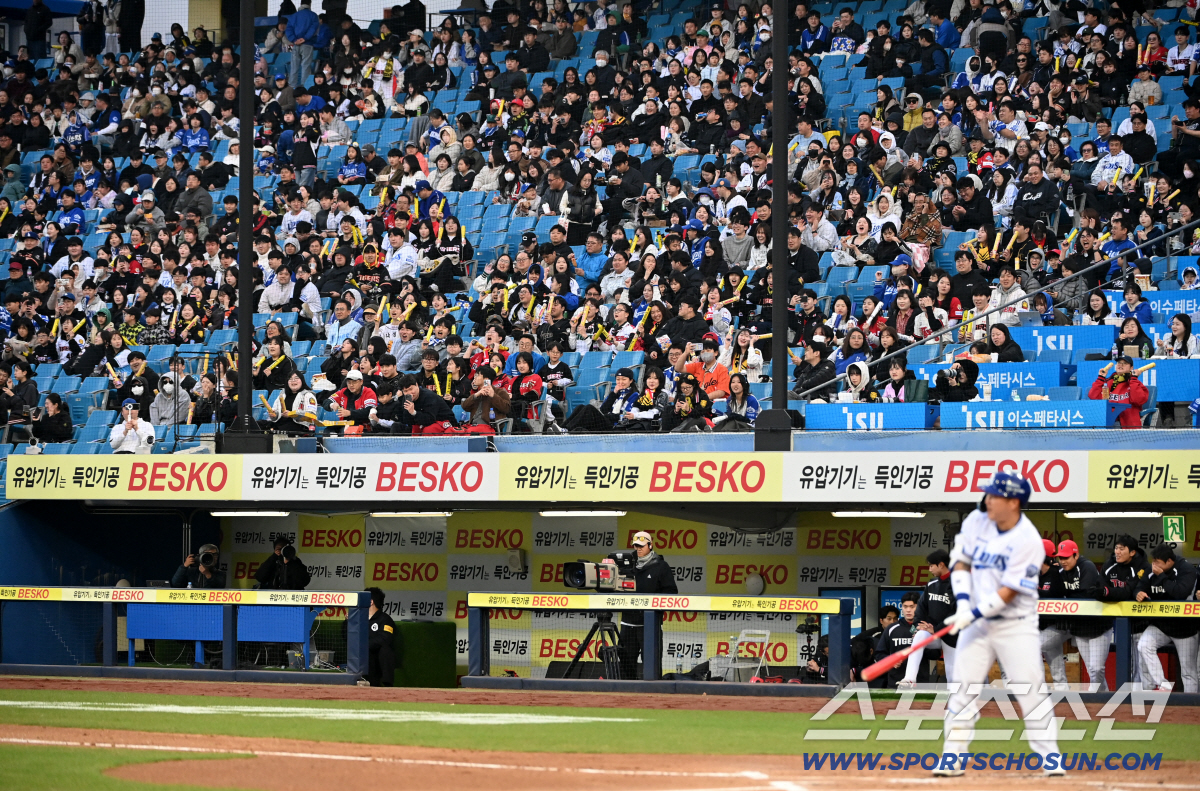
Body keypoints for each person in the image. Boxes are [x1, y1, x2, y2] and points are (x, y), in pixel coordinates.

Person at [933, 471, 1060, 777]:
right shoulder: (977, 521)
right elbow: (961, 562)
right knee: (962, 690)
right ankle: (952, 757)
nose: (988, 500)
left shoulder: (1029, 540)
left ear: (1014, 502)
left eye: (995, 495)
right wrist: (963, 603)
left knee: (1030, 690)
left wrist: (973, 612)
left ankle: (1050, 758)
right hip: (977, 623)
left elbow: (1010, 590)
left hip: (1014, 625)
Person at [1135, 544, 1199, 693]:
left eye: (1158, 562)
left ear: (1170, 561)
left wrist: (1162, 577)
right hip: (1161, 625)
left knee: (1188, 671)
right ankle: (1163, 684)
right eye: (1153, 562)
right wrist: (1138, 594)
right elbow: (1140, 586)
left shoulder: (1186, 569)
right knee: (1143, 645)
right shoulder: (1152, 570)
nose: (1154, 565)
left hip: (1185, 628)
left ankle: (1191, 709)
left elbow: (1180, 593)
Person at [616, 531, 678, 679]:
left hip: (650, 627)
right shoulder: (626, 565)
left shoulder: (661, 566)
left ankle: (653, 698)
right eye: (636, 546)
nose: (638, 549)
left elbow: (671, 592)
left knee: (652, 668)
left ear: (650, 545)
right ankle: (624, 698)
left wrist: (652, 602)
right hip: (627, 625)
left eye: (642, 546)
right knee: (625, 667)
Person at [898, 549, 958, 688]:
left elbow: (956, 612)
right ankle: (909, 679)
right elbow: (921, 608)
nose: (929, 569)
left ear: (941, 565)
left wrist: (936, 629)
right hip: (932, 633)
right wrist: (919, 625)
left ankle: (954, 704)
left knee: (952, 676)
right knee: (919, 636)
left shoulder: (957, 584)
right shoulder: (931, 585)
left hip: (951, 635)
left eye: (932, 565)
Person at [875, 591, 927, 689]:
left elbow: (935, 654)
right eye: (905, 606)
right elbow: (879, 654)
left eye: (912, 607)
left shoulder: (925, 628)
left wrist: (921, 644)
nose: (908, 610)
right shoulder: (891, 629)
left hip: (920, 683)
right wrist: (891, 661)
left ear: (919, 606)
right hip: (895, 683)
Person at [1088, 356, 1148, 429]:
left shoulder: (1135, 383)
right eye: (1119, 362)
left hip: (1126, 423)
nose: (1120, 365)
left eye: (1125, 363)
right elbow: (1093, 396)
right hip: (1106, 421)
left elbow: (1138, 400)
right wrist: (1101, 378)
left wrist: (1133, 379)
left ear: (1131, 368)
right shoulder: (1109, 382)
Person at [367, 587, 397, 687]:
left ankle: (387, 683)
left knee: (385, 650)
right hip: (362, 656)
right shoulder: (359, 618)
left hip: (377, 657)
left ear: (371, 602)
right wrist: (347, 622)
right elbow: (346, 637)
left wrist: (364, 645)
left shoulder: (385, 619)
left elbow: (385, 638)